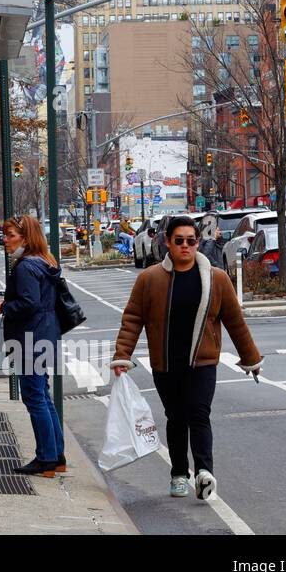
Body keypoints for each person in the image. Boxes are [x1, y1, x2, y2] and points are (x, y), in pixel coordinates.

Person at [111, 215, 263, 501]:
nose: (185, 246)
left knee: (199, 413)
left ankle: (205, 472)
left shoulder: (216, 279)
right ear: (167, 242)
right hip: (165, 363)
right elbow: (133, 319)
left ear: (198, 242)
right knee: (176, 417)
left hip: (202, 362)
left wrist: (251, 359)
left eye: (191, 241)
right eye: (178, 241)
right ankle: (179, 474)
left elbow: (235, 321)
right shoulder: (149, 279)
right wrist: (122, 357)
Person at [0, 217, 65, 477]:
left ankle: (46, 458)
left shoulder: (25, 267)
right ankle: (56, 454)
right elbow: (36, 301)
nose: (5, 240)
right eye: (5, 235)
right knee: (43, 396)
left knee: (34, 397)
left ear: (26, 238)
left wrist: (3, 307)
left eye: (10, 236)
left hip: (29, 337)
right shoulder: (46, 262)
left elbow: (28, 303)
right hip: (44, 333)